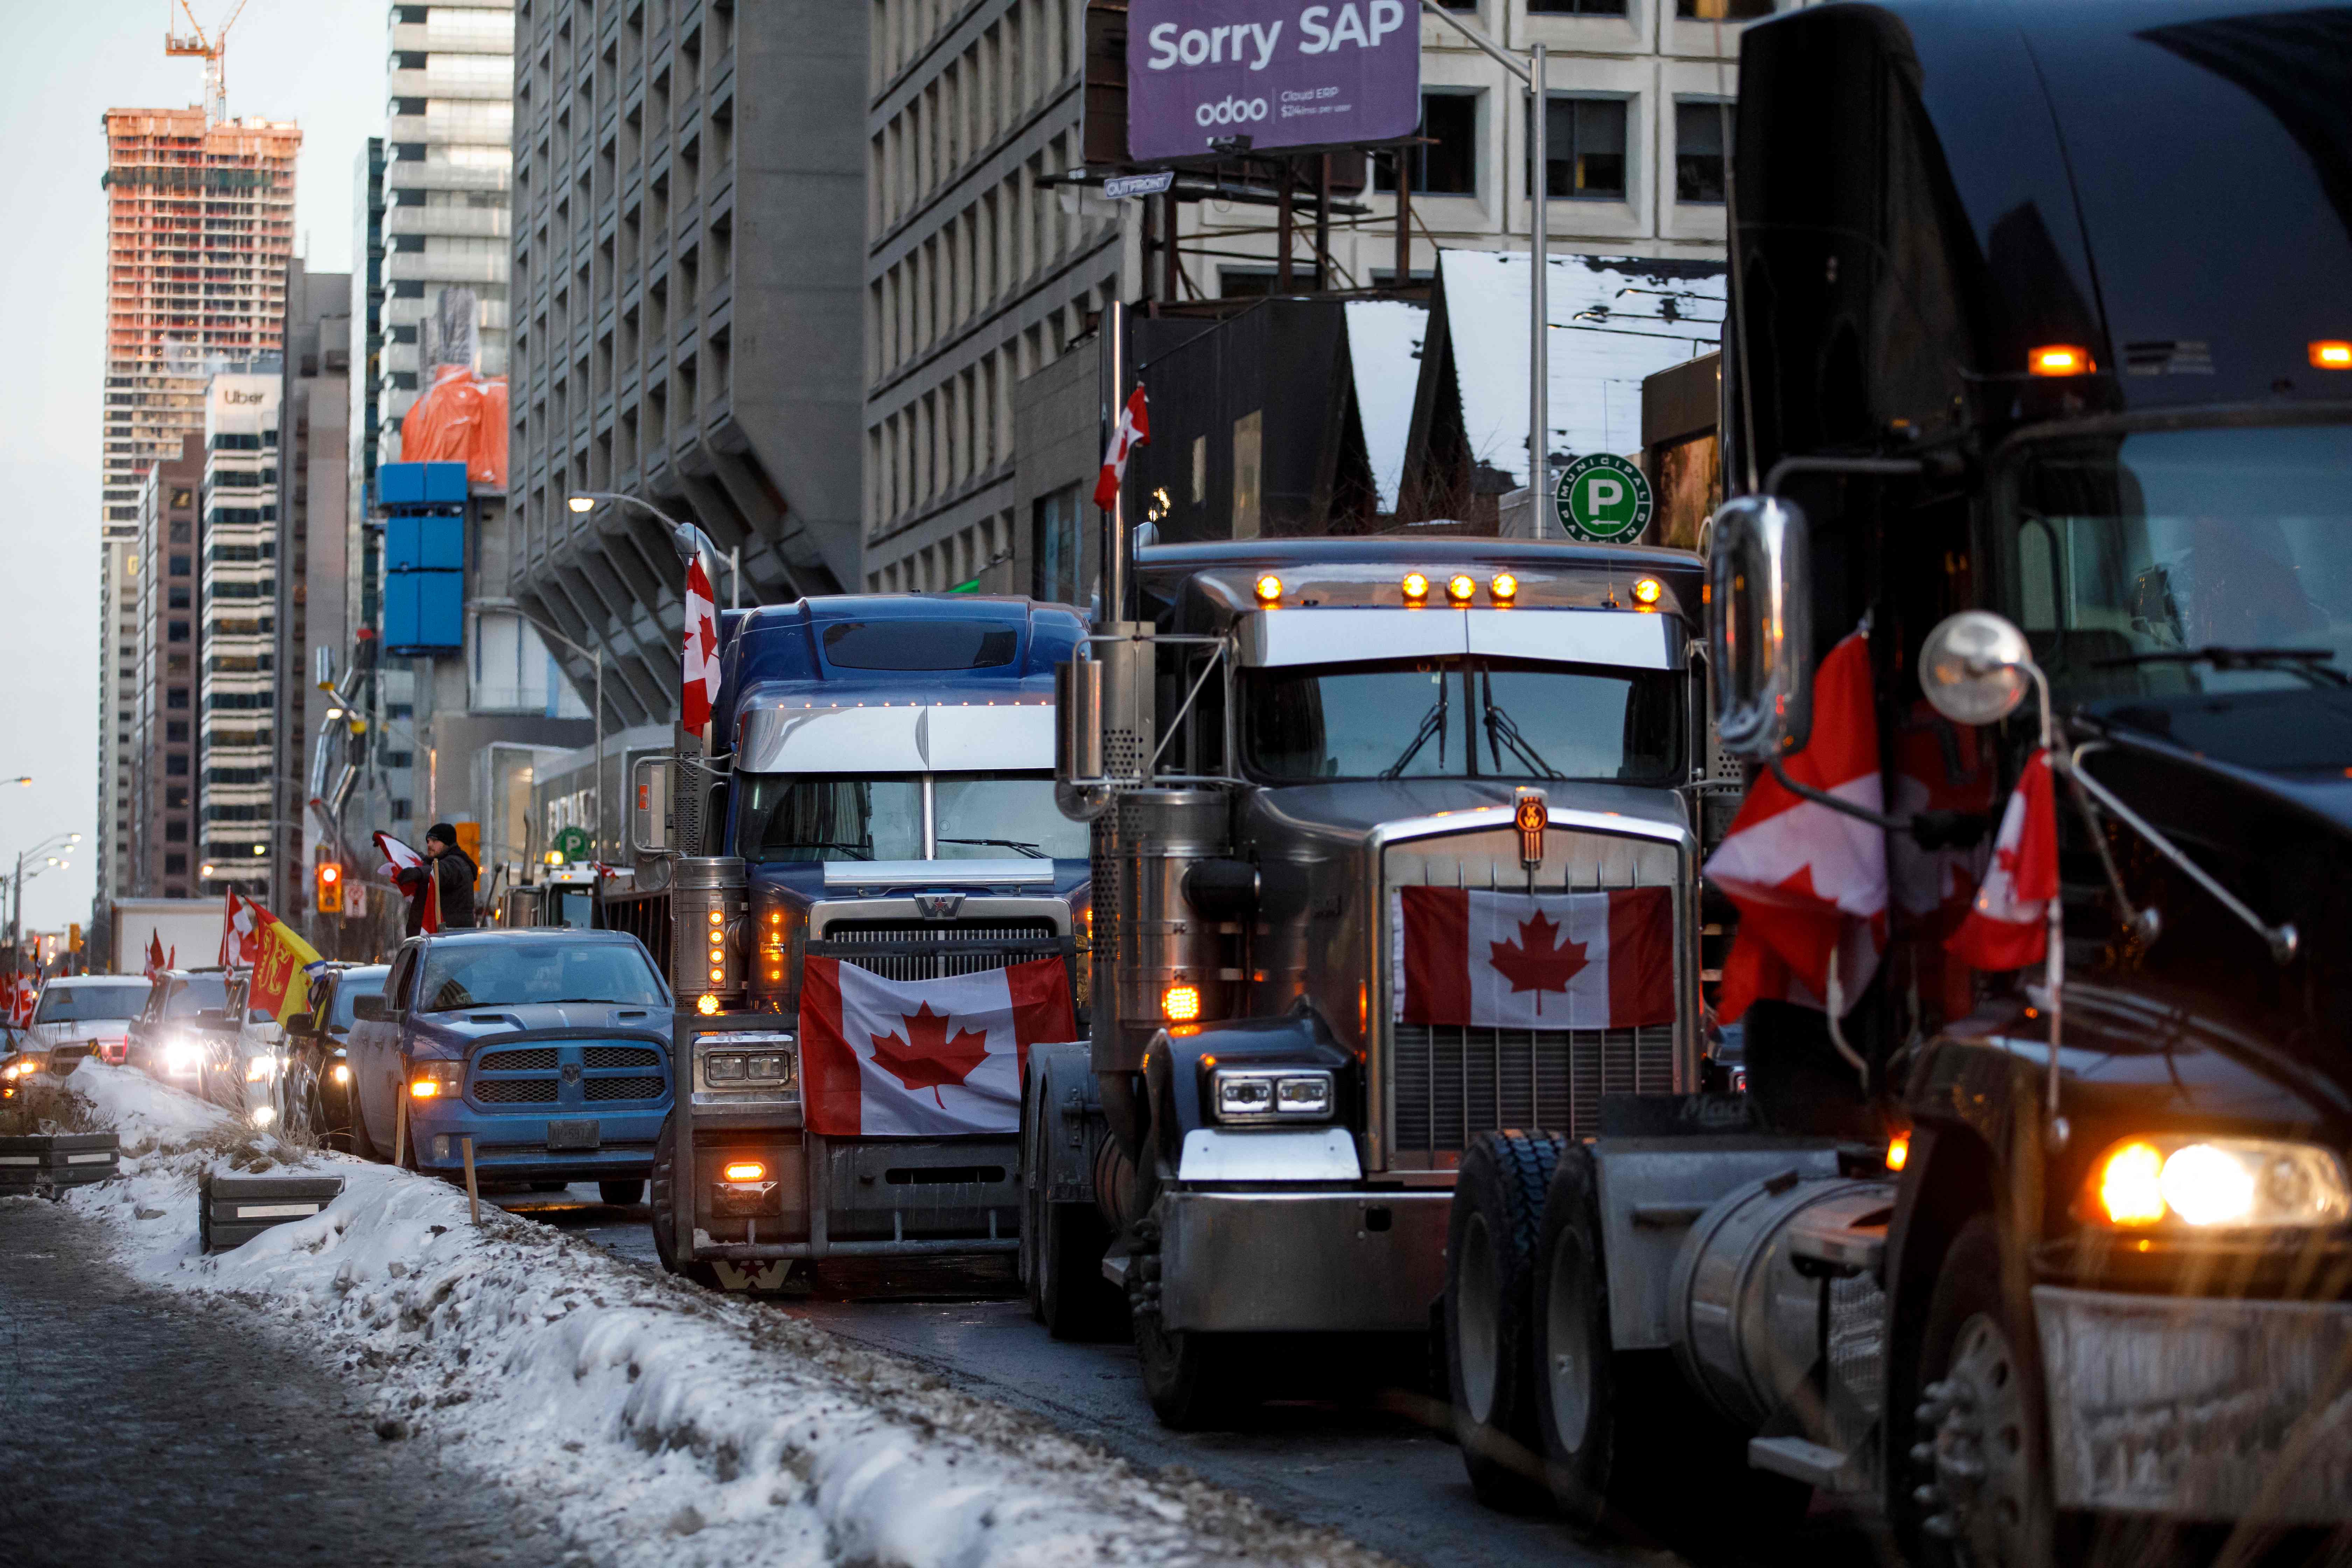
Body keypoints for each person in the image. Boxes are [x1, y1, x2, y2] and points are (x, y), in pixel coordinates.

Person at [401, 824, 480, 936]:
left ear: (447, 843)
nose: (430, 845)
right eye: (428, 841)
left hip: (453, 940)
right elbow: (418, 857)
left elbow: (440, 872)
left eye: (435, 841)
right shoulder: (441, 861)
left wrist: (418, 873)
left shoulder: (457, 864)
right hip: (445, 939)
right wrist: (391, 841)